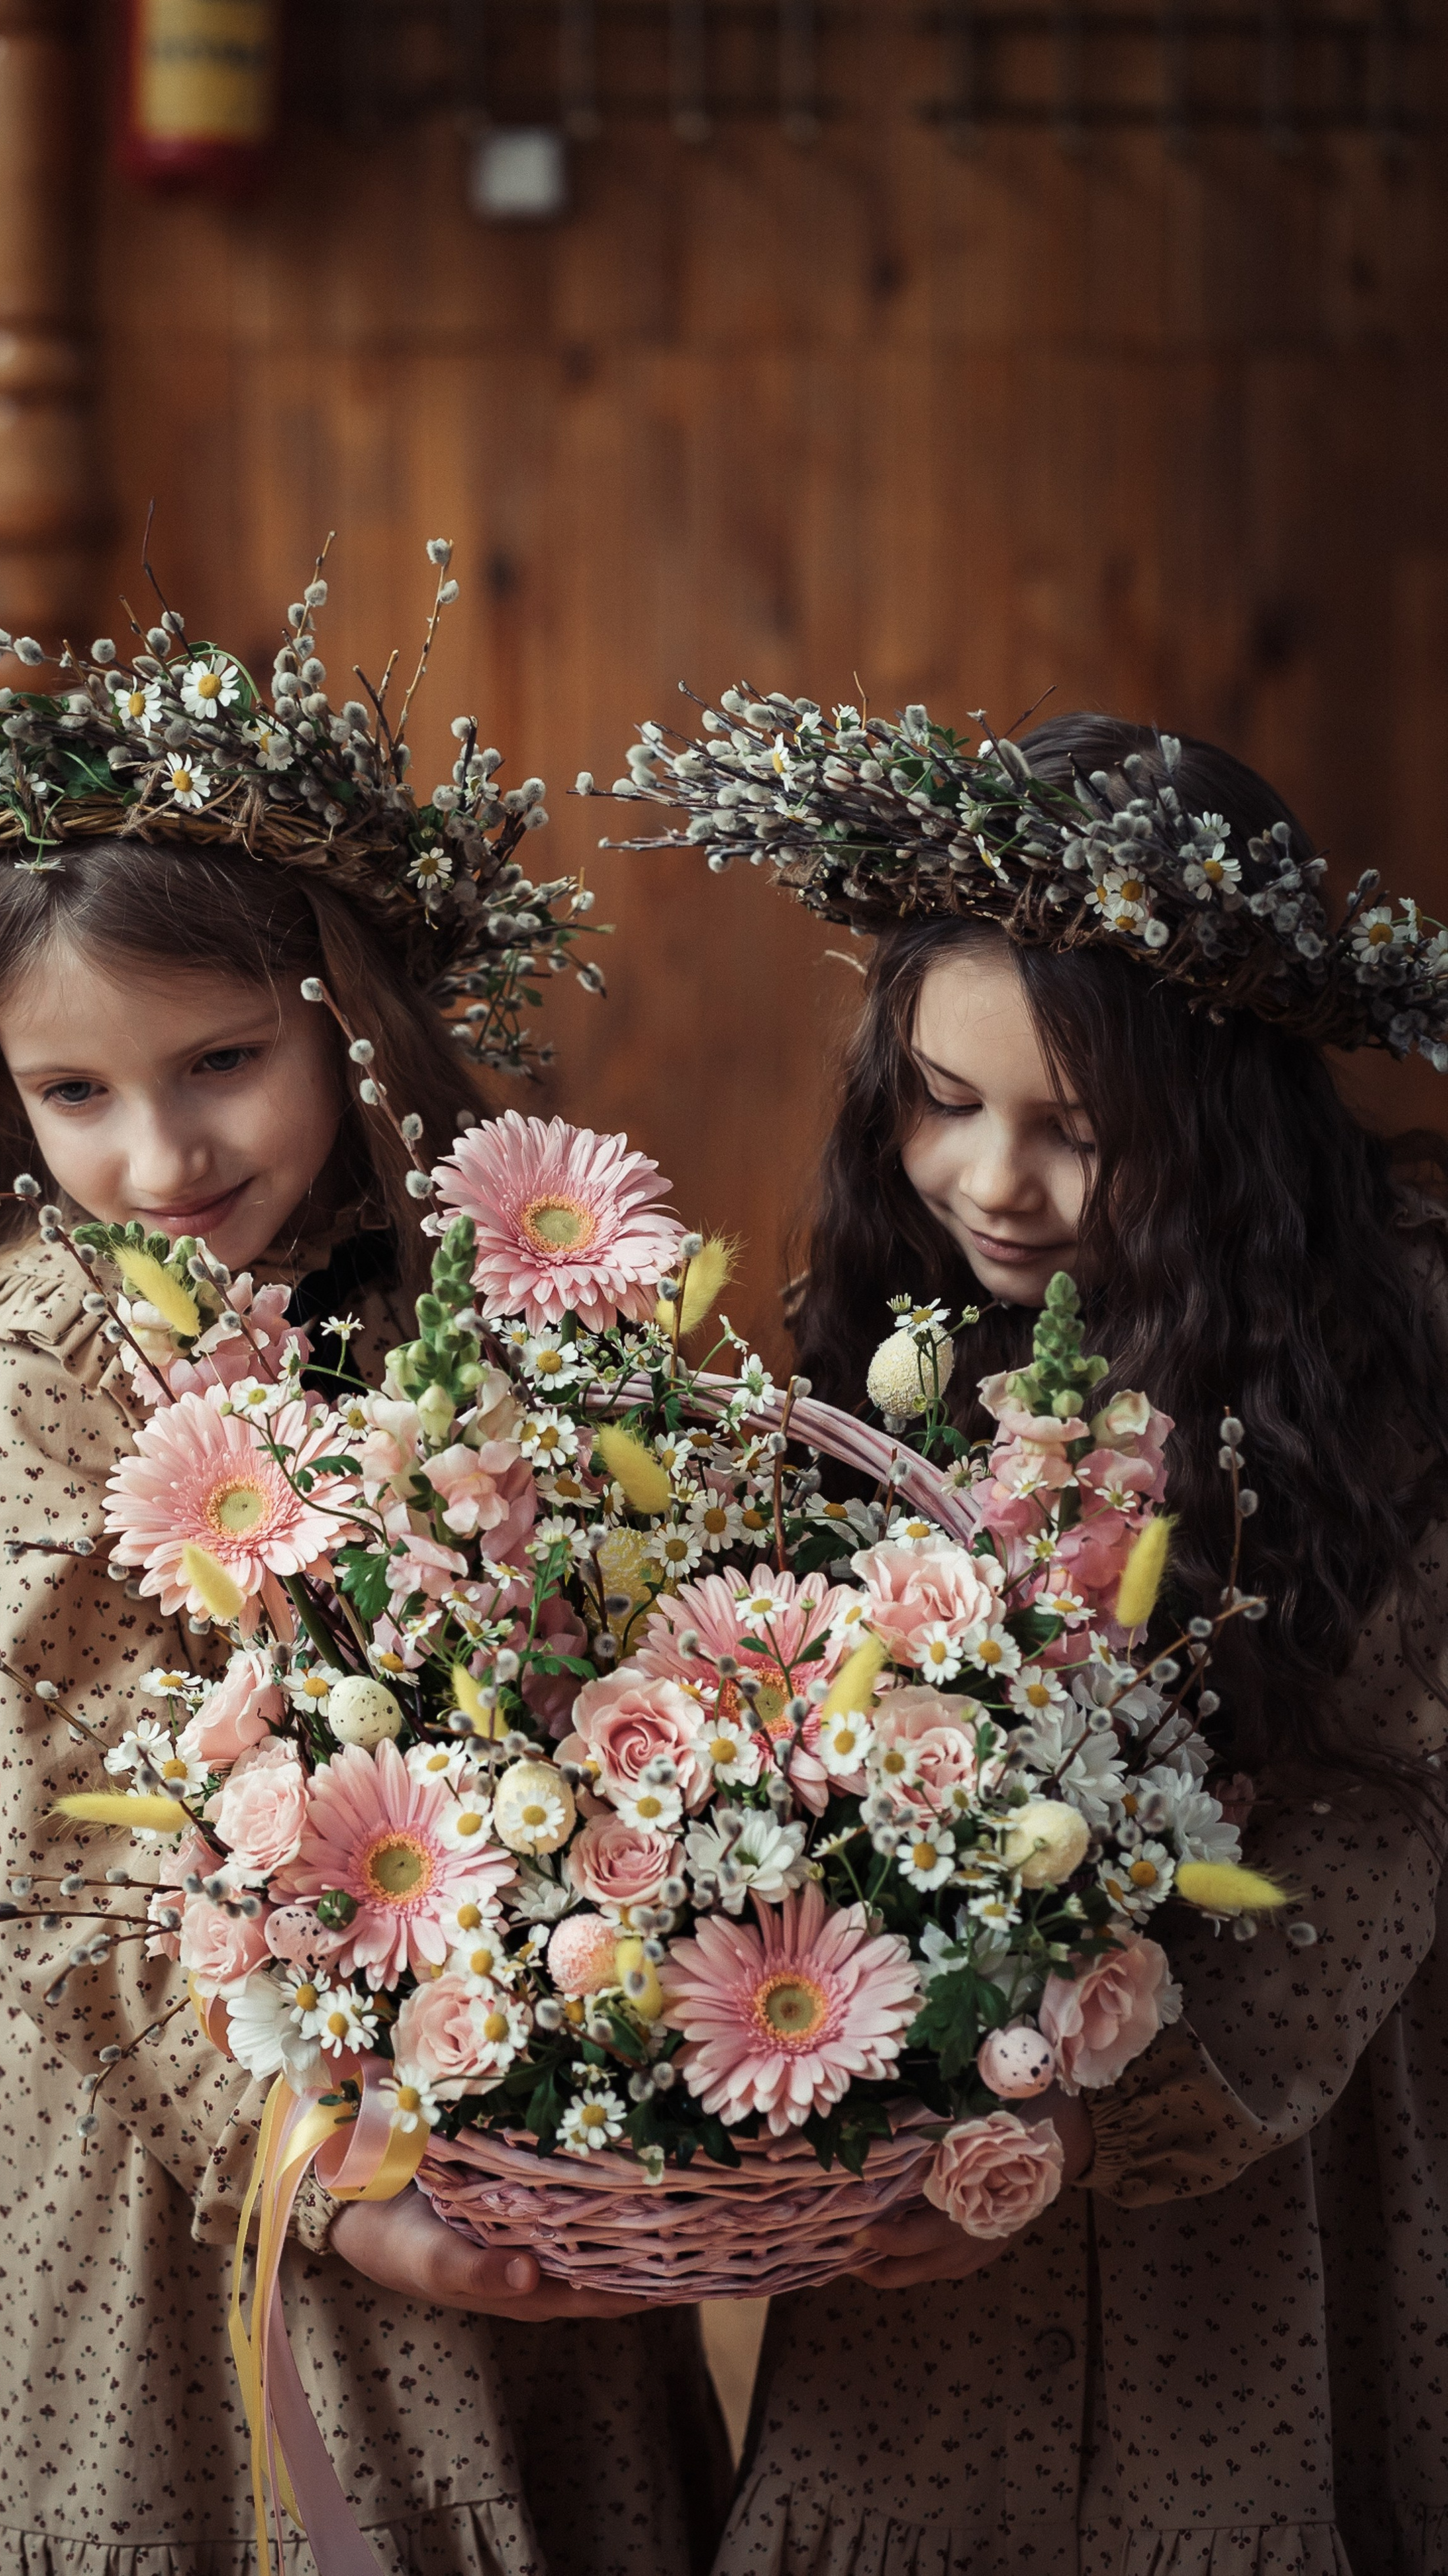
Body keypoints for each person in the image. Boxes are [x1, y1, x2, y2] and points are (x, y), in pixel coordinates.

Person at [0, 570, 726, 2576]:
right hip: (199, 2127)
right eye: (75, 1095)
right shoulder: (49, 1352)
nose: (161, 1156)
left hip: (489, 2056)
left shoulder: (489, 1286)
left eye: (220, 1063)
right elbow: (93, 1861)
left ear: (347, 1025)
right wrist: (324, 2180)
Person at [617, 704, 1448, 2575]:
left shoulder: (1392, 1351)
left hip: (1263, 2123)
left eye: (1077, 1131)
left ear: (1226, 1117)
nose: (994, 1183)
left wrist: (1125, 2112)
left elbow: (1389, 1809)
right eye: (941, 1098)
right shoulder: (919, 1322)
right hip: (952, 2161)